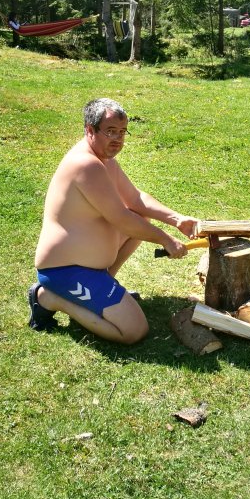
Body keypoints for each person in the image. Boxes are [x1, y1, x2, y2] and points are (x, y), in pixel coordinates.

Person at [29, 98, 200, 343]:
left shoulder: (104, 160)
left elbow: (135, 199)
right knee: (133, 331)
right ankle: (50, 298)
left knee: (140, 217)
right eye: (110, 131)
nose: (118, 139)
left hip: (89, 267)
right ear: (90, 130)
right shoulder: (86, 165)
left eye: (122, 132)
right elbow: (121, 219)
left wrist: (177, 219)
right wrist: (166, 239)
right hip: (65, 271)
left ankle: (105, 284)